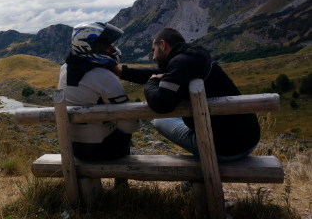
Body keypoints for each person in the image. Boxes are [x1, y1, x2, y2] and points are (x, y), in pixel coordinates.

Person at [110, 28, 260, 162]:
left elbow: (160, 103)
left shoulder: (181, 63)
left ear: (163, 45)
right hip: (248, 137)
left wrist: (151, 83)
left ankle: (198, 170)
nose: (153, 57)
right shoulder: (193, 56)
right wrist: (121, 72)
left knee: (159, 121)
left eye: (153, 50)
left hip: (224, 148)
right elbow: (163, 74)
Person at [58, 22, 140, 162]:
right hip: (101, 147)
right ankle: (121, 180)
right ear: (91, 48)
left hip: (73, 146)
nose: (112, 48)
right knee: (124, 133)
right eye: (106, 45)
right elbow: (130, 125)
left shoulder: (64, 69)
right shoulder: (105, 77)